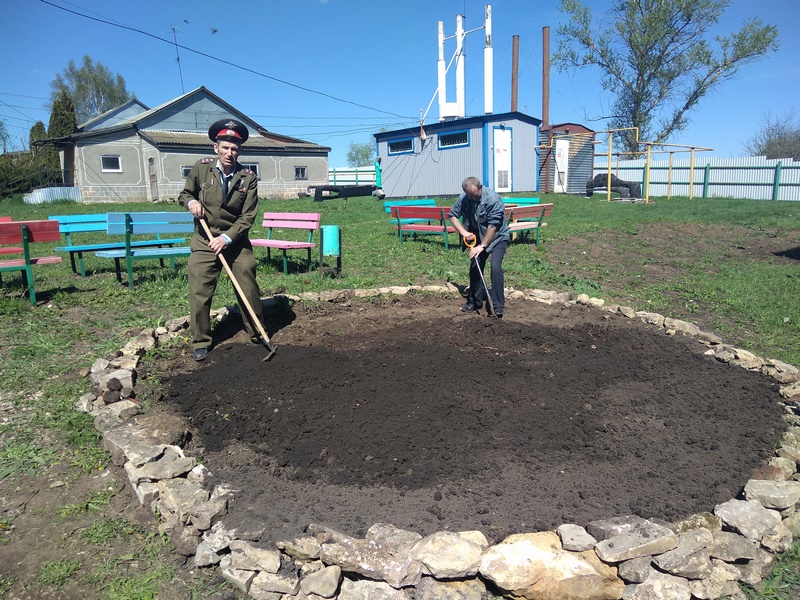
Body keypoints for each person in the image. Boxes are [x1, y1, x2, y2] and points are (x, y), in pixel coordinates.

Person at [179, 118, 264, 361]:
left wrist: (226, 239)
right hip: (205, 241)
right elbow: (185, 194)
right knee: (200, 291)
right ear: (216, 147)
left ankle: (258, 332)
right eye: (225, 147)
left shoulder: (248, 178)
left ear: (239, 150)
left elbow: (248, 217)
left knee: (248, 284)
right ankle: (201, 340)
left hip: (235, 243)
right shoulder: (201, 168)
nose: (230, 152)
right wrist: (191, 202)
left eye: (234, 148)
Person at [448, 177, 510, 317]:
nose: (473, 197)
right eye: (470, 195)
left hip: (497, 237)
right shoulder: (464, 198)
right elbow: (452, 216)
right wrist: (464, 232)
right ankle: (474, 302)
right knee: (475, 267)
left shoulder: (493, 199)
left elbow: (493, 226)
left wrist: (482, 246)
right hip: (478, 235)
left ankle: (497, 305)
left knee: (495, 267)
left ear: (480, 187)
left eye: (475, 194)